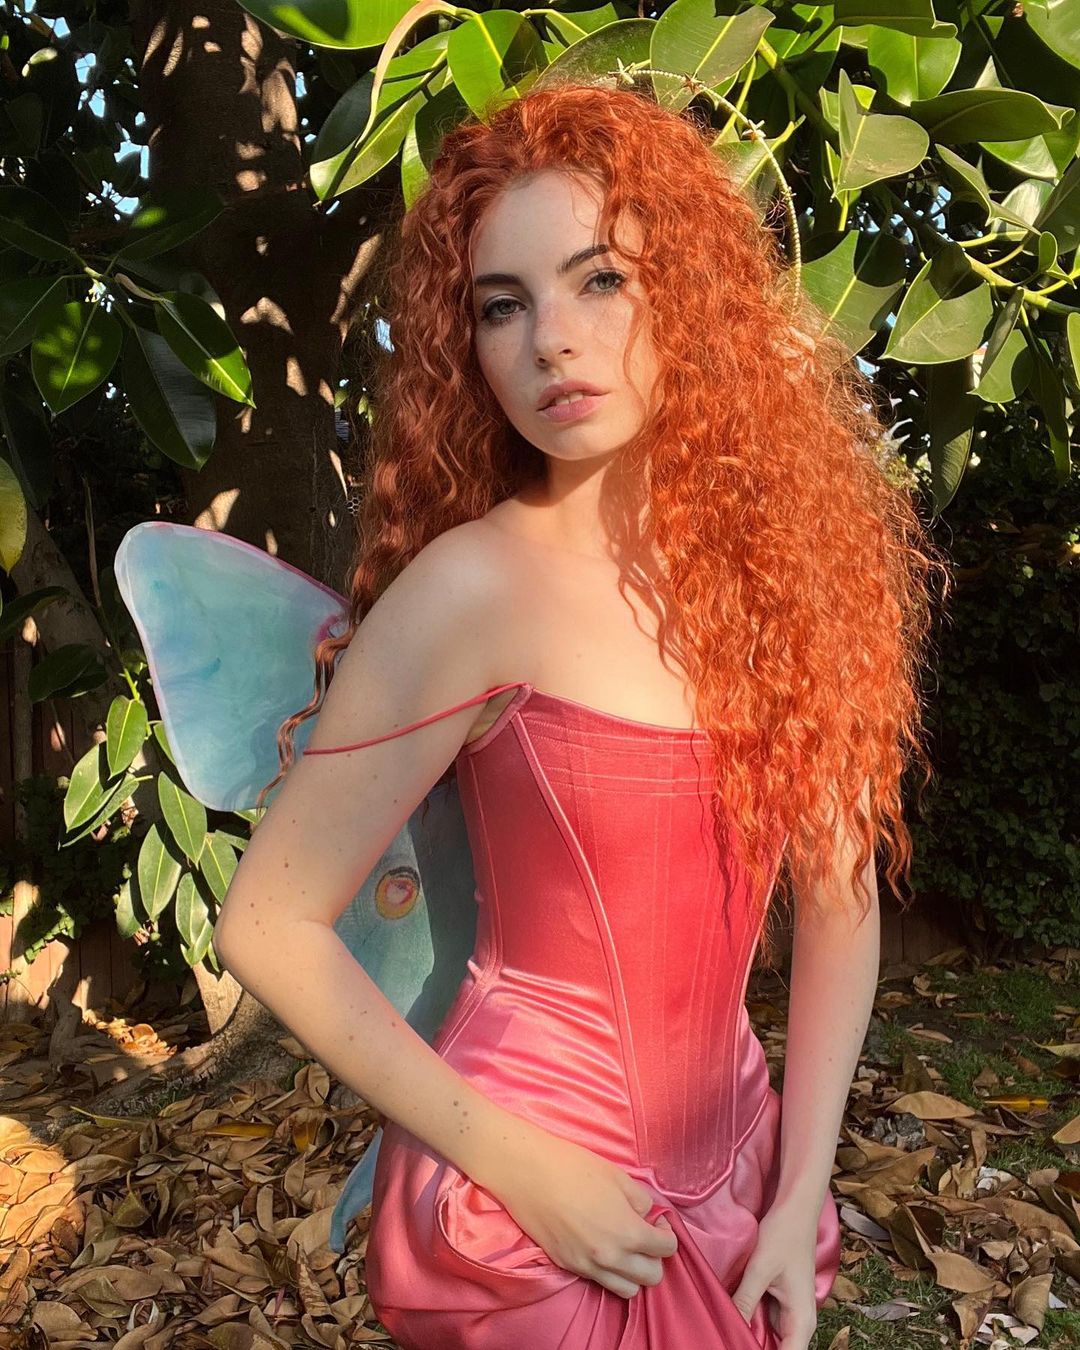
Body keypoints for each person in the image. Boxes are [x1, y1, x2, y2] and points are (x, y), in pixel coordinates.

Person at [212, 78, 944, 1350]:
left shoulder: (784, 581)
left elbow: (839, 901)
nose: (552, 339)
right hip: (525, 1203)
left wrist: (802, 1182)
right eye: (503, 305)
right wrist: (521, 1167)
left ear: (691, 295)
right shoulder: (470, 590)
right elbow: (267, 923)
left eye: (600, 279)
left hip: (742, 1169)